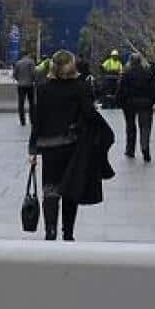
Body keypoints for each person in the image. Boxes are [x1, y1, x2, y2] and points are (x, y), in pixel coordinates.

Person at [29, 50, 90, 241]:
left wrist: (32, 149)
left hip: (49, 147)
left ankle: (50, 230)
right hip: (72, 145)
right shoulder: (79, 88)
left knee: (51, 189)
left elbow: (37, 120)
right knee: (70, 190)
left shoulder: (43, 88)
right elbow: (88, 115)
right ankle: (68, 232)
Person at [118, 53, 155, 162]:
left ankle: (130, 149)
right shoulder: (147, 73)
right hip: (145, 103)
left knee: (130, 126)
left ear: (131, 61)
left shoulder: (126, 73)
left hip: (129, 103)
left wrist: (121, 102)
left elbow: (121, 90)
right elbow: (153, 88)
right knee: (145, 127)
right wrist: (152, 101)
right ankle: (145, 148)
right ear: (140, 61)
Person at [13, 53, 37, 126]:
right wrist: (33, 80)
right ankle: (32, 120)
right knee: (32, 104)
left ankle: (22, 121)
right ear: (28, 55)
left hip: (20, 85)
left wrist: (19, 80)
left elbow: (14, 74)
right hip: (30, 85)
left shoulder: (18, 63)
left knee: (21, 103)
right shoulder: (31, 62)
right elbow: (33, 73)